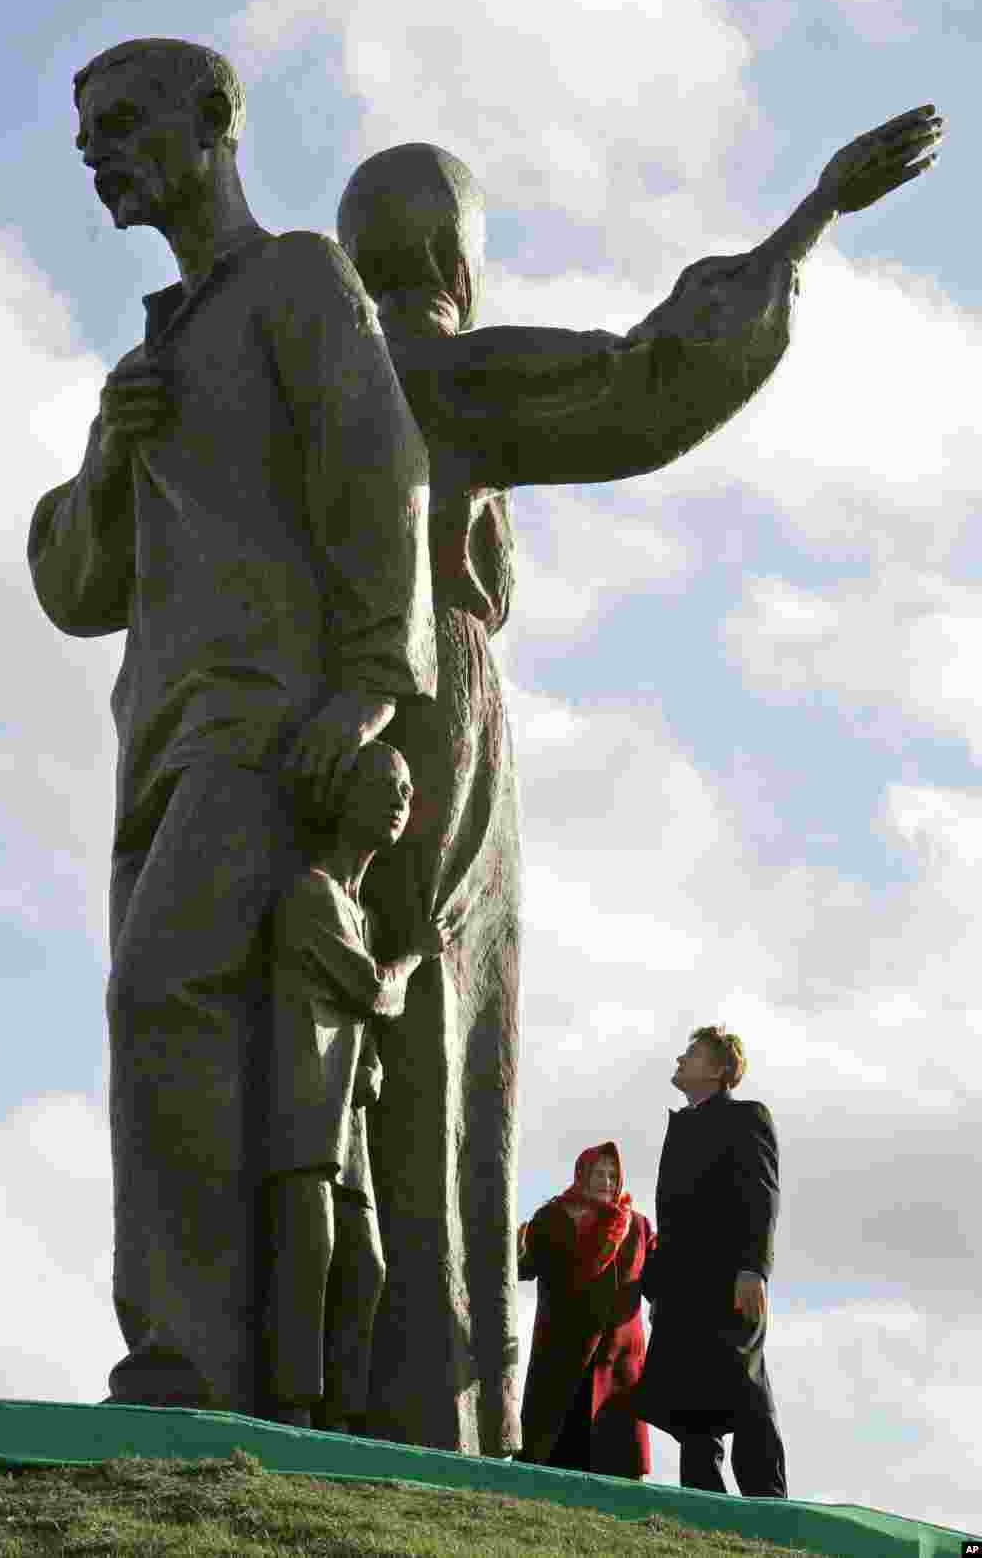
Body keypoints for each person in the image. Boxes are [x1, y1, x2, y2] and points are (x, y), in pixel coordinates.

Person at [335, 104, 943, 1454]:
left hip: (312, 739)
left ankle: (322, 1359)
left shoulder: (297, 386)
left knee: (334, 1035)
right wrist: (814, 215)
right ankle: (435, 1405)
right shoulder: (444, 373)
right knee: (444, 1023)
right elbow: (645, 378)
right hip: (435, 708)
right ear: (450, 257)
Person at [28, 39, 436, 1417]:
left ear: (214, 123)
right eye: (84, 134)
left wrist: (368, 689)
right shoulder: (157, 348)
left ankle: (186, 1365)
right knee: (172, 1028)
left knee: (162, 998)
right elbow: (79, 592)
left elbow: (387, 494)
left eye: (124, 123)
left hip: (260, 729)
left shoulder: (300, 282)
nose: (97, 151)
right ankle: (233, 1369)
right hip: (155, 736)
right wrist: (106, 451)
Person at [265, 742, 470, 1432]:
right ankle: (292, 1411)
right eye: (383, 786)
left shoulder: (363, 916)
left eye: (406, 791)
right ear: (343, 798)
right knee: (307, 1263)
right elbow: (372, 990)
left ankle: (342, 1420)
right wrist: (417, 956)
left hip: (343, 1122)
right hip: (301, 1111)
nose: (398, 801)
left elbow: (360, 1015)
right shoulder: (312, 894)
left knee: (366, 1270)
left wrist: (371, 1062)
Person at [632, 1027, 786, 1497]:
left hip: (730, 1283)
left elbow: (762, 1198)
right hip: (683, 1293)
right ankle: (702, 1504)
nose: (679, 1058)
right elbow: (672, 1218)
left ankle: (770, 1504)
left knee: (746, 1391)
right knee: (692, 1400)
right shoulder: (681, 1129)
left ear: (718, 1070)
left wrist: (753, 1269)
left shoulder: (747, 1118)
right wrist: (657, 1289)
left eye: (692, 1053)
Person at [517, 1143, 655, 1478]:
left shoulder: (637, 1226)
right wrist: (514, 1244)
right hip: (563, 1350)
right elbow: (524, 1267)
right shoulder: (552, 1218)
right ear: (582, 1175)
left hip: (618, 1357)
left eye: (613, 1175)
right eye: (599, 1174)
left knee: (617, 1449)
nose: (607, 1182)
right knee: (555, 1446)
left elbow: (656, 1279)